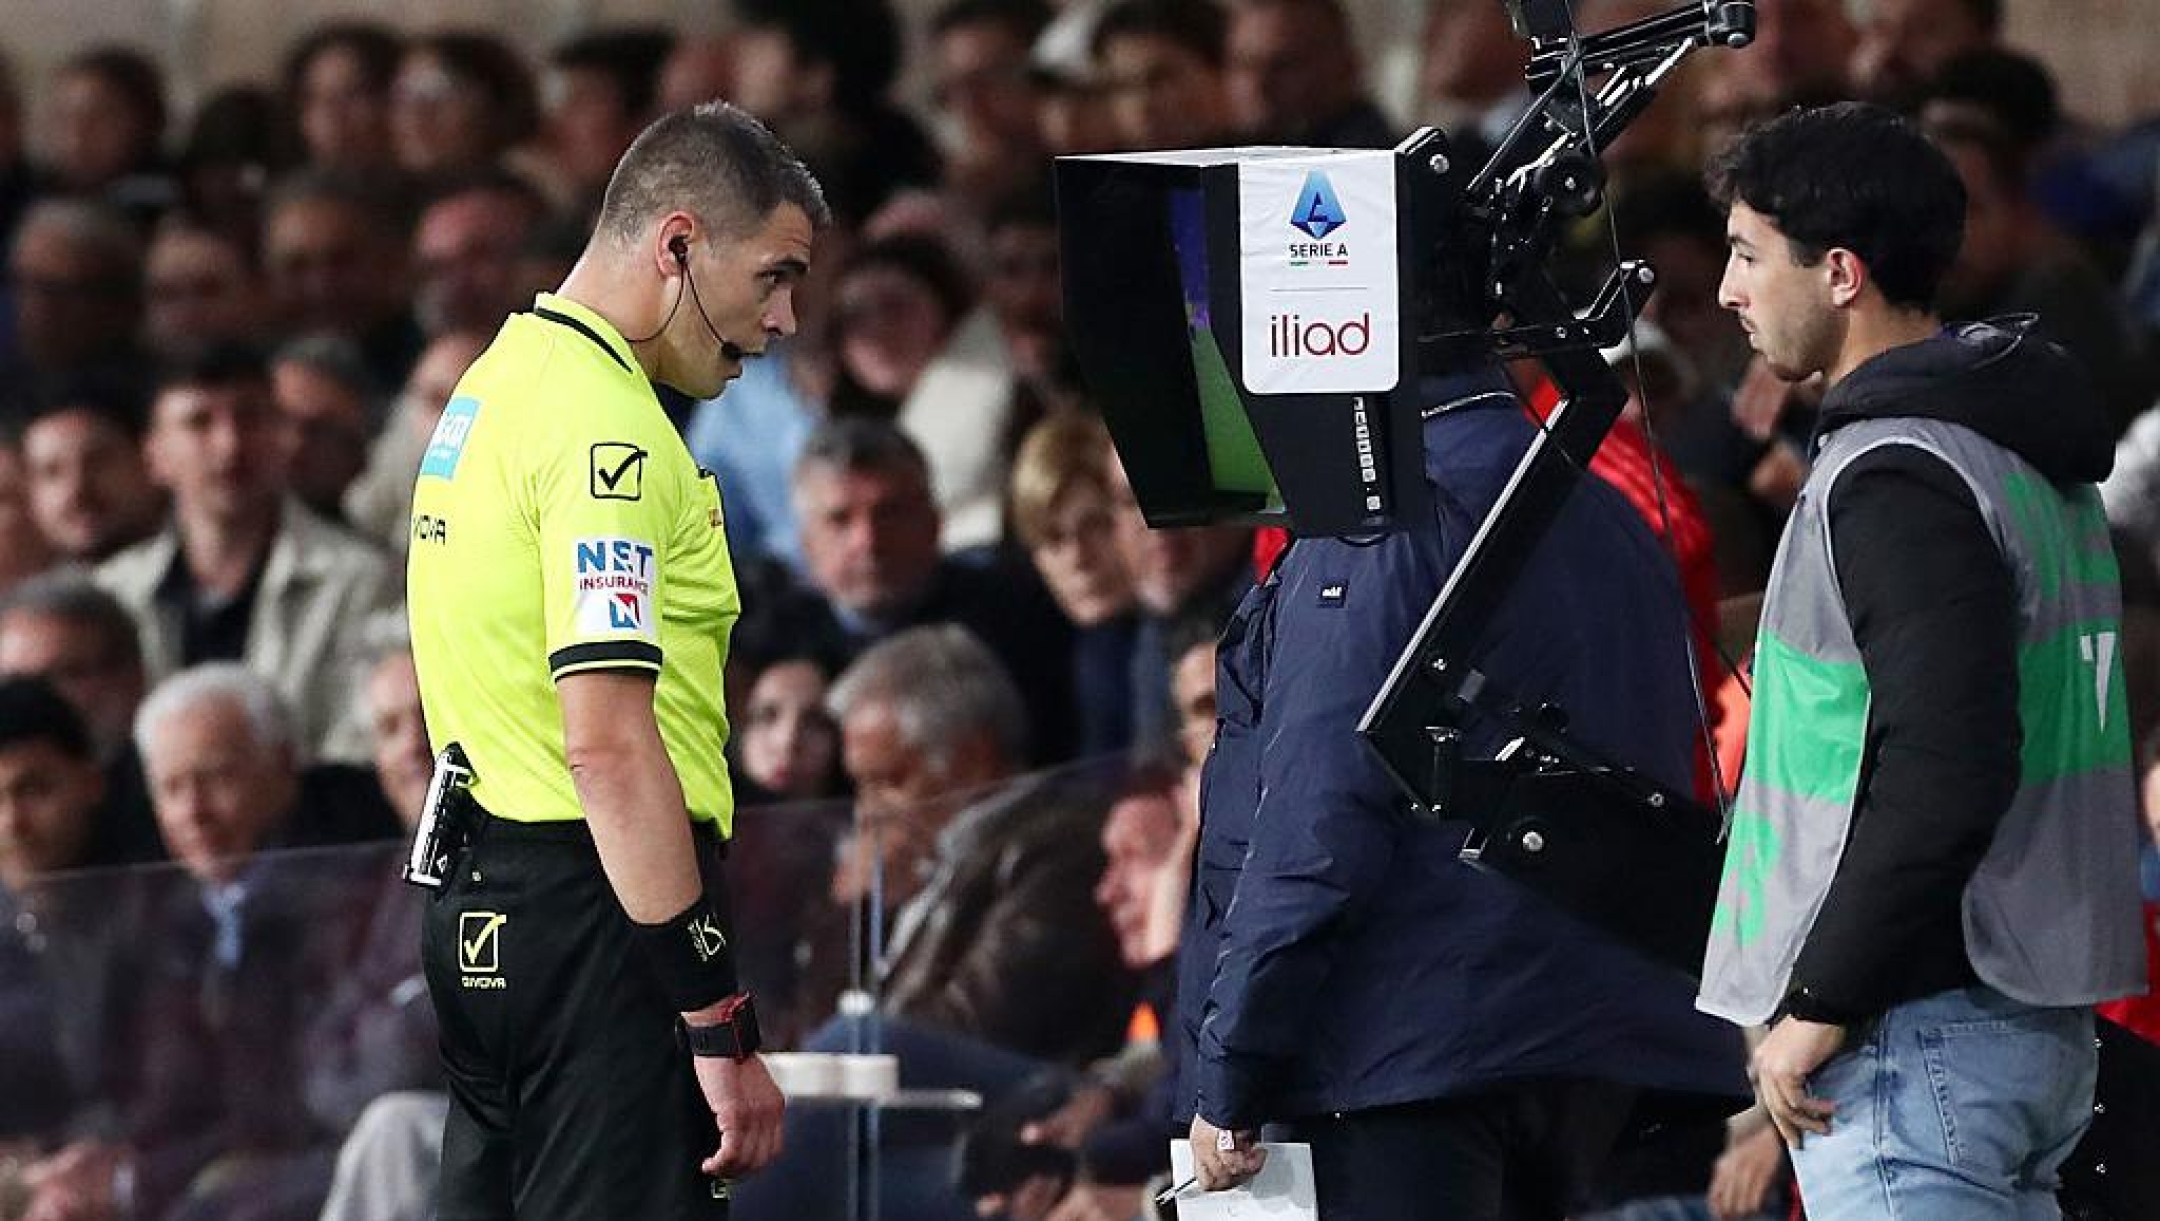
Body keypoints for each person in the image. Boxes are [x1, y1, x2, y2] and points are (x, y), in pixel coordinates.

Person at [1697, 102, 2148, 1220]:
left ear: (1840, 272)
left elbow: (1946, 761)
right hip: (2014, 1020)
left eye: (1750, 256)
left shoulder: (1899, 474)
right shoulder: (2013, 454)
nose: (1727, 291)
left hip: (1916, 1040)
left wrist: (1821, 1002)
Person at [406, 101, 826, 1221]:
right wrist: (713, 1016)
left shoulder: (491, 388)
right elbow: (605, 742)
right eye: (774, 277)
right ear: (678, 245)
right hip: (600, 918)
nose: (785, 320)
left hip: (476, 904)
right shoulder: (613, 436)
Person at [1173, 391, 1742, 1210]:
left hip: (1395, 1064)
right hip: (1583, 1057)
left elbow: (1316, 825)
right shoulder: (1615, 513)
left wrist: (1228, 1074)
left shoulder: (1376, 521)